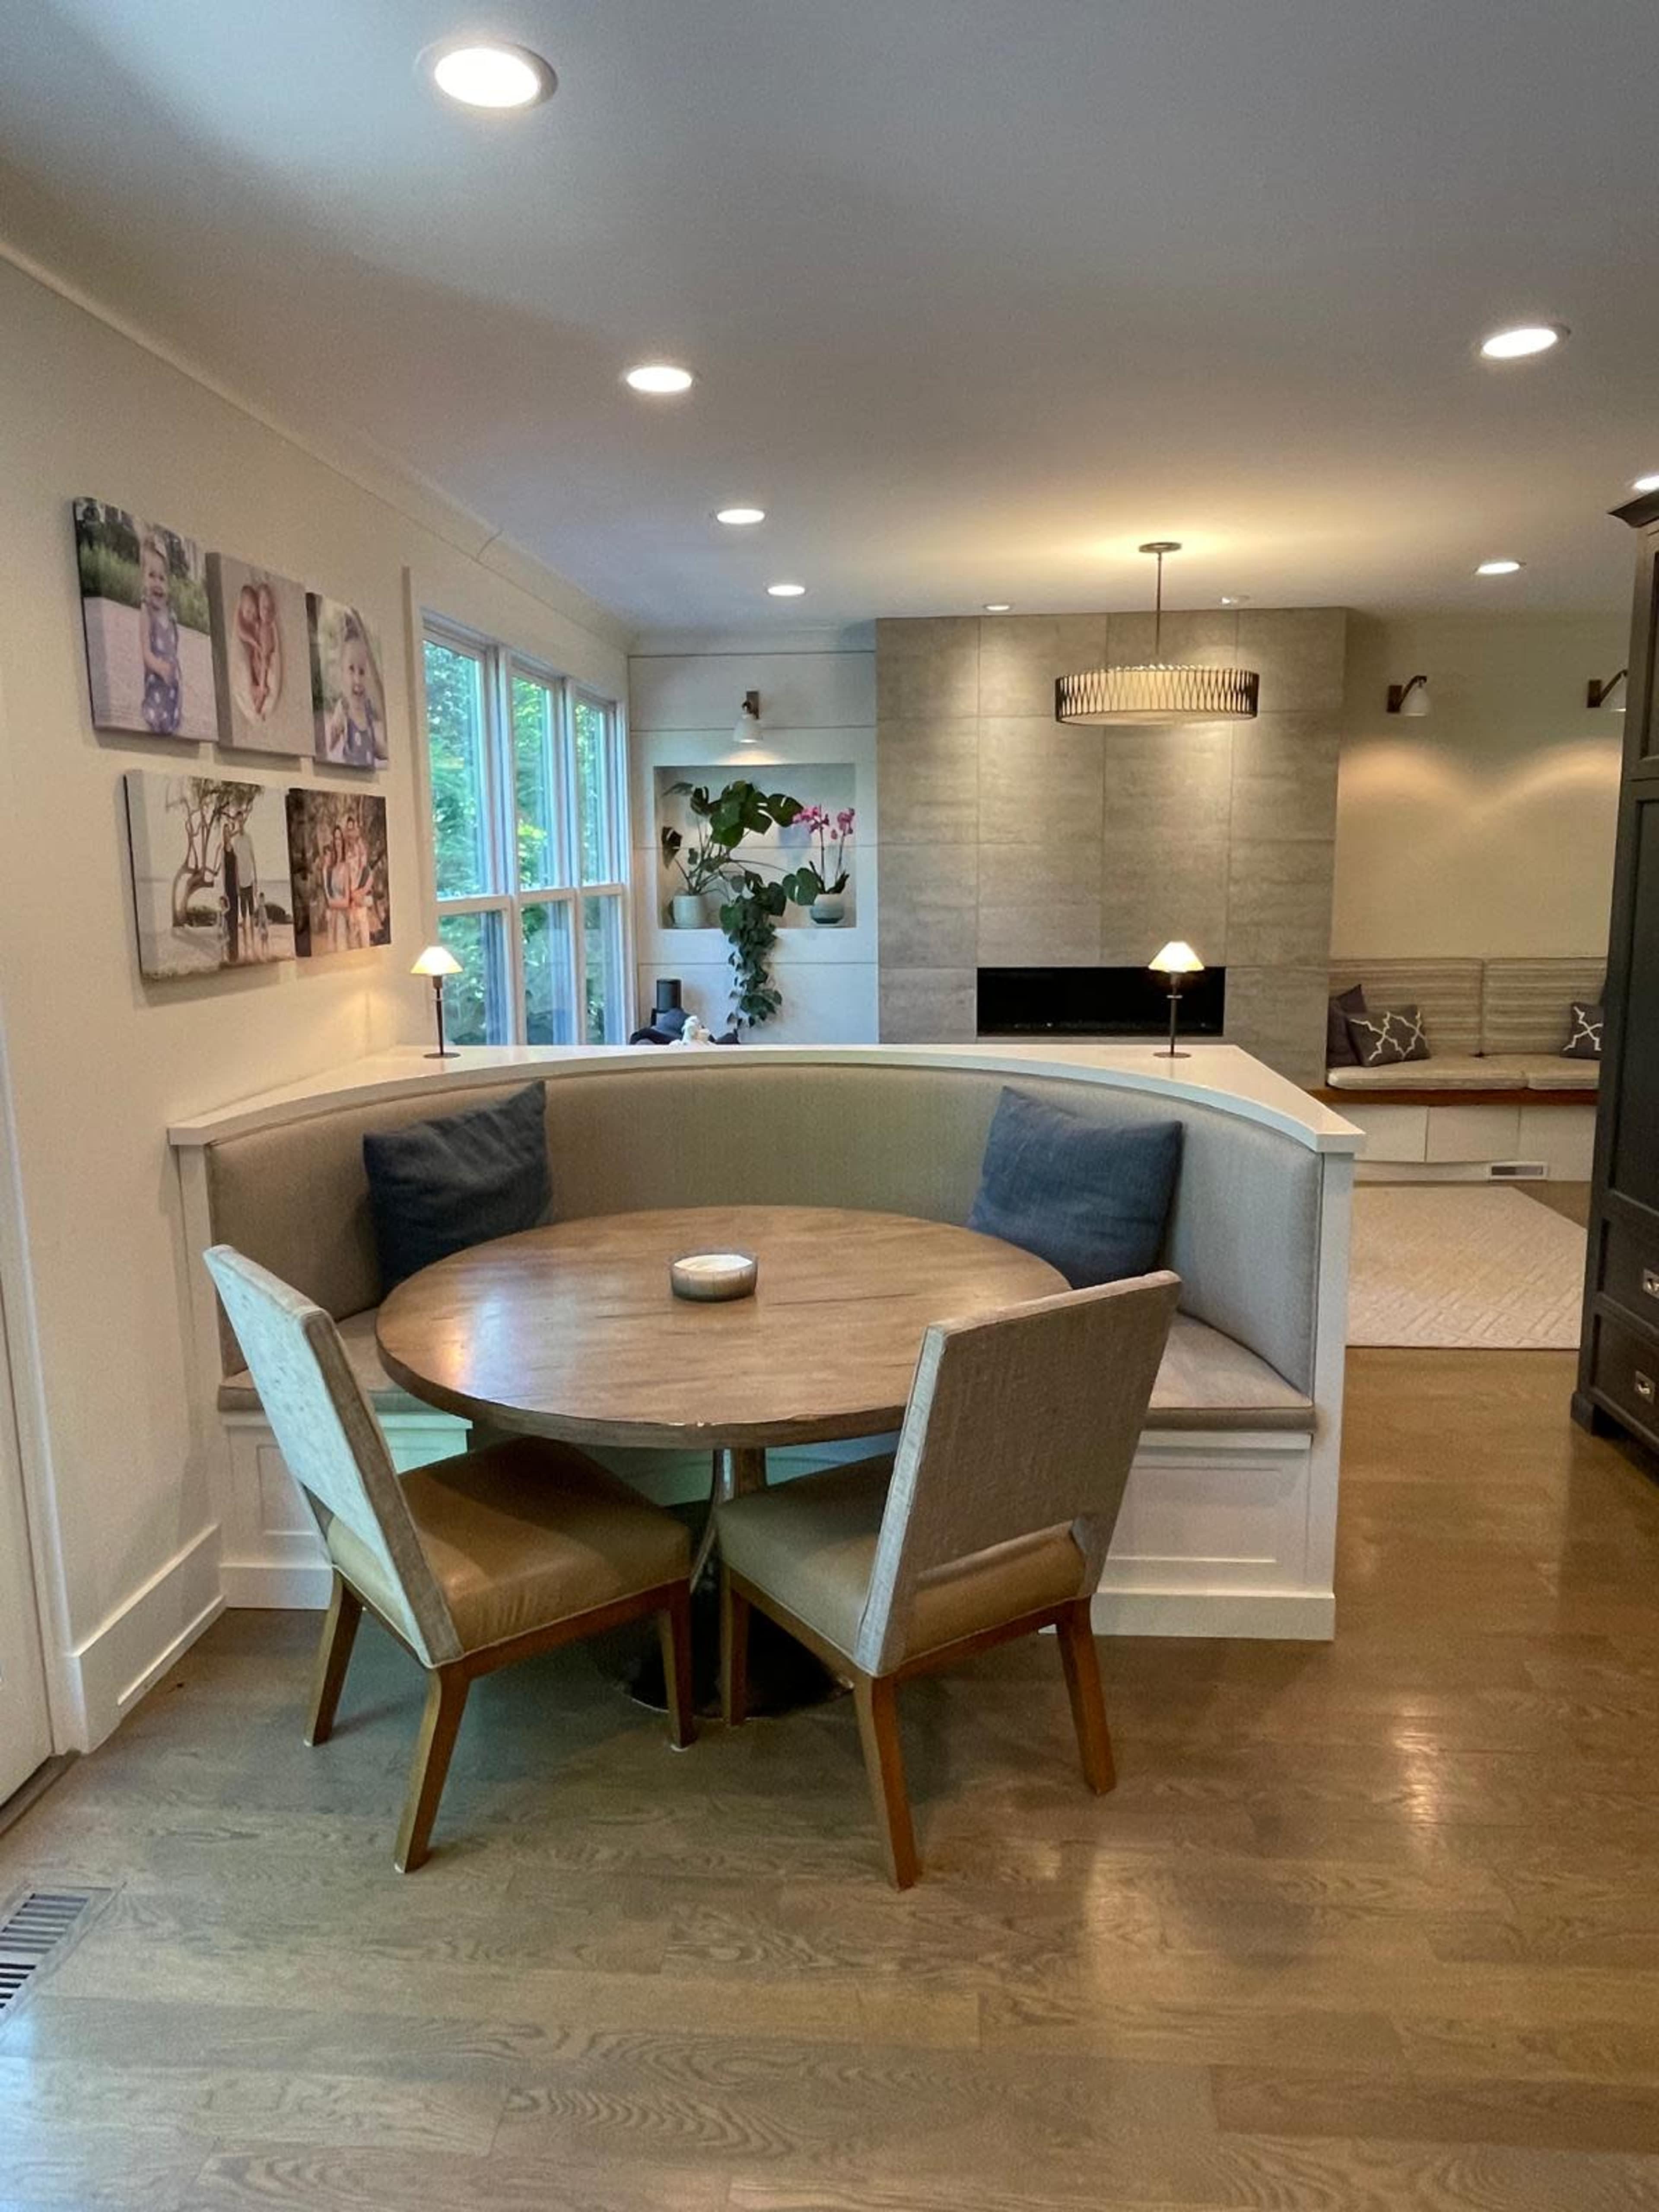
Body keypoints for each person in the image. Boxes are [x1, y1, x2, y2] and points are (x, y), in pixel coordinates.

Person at [321, 614, 384, 767]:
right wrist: (334, 733)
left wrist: (384, 752)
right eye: (351, 669)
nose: (357, 679)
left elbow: (374, 746)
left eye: (362, 672)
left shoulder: (367, 709)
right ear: (342, 673)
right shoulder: (344, 707)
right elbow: (331, 742)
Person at [138, 532, 183, 734]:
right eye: (151, 576)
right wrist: (159, 667)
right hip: (157, 680)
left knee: (172, 716)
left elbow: (174, 648)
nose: (157, 583)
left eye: (162, 578)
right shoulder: (147, 612)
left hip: (172, 683)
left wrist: (175, 671)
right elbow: (146, 653)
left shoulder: (170, 614)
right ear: (143, 579)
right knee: (156, 717)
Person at [229, 814, 259, 962]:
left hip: (250, 882)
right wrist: (237, 885)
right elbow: (235, 865)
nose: (240, 824)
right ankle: (247, 950)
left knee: (252, 917)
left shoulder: (249, 839)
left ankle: (254, 947)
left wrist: (256, 881)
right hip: (241, 884)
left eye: (242, 821)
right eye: (238, 822)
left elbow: (253, 860)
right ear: (237, 823)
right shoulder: (236, 842)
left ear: (244, 822)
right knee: (244, 917)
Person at [323, 825, 352, 953]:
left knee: (341, 948)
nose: (337, 842)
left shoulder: (346, 867)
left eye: (340, 839)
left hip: (341, 915)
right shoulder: (332, 867)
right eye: (336, 839)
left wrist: (332, 904)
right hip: (332, 916)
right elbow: (327, 890)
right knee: (331, 950)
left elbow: (346, 901)